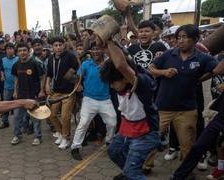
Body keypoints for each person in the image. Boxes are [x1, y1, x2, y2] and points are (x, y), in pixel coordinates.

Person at [146, 24, 218, 174]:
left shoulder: (202, 57)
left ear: (195, 39)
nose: (180, 40)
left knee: (187, 144)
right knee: (151, 139)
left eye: (184, 37)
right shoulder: (169, 54)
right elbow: (150, 68)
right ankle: (145, 166)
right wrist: (164, 72)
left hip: (187, 109)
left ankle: (185, 171)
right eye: (179, 37)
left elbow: (215, 70)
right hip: (162, 107)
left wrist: (200, 79)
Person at [98, 37, 160, 180]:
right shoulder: (121, 80)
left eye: (113, 82)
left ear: (126, 78)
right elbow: (111, 55)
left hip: (145, 134)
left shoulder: (141, 84)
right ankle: (129, 173)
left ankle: (132, 174)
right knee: (113, 151)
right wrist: (102, 39)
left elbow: (120, 65)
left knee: (133, 172)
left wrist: (110, 41)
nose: (111, 86)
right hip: (128, 128)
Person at [70, 41, 117, 161]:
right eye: (93, 49)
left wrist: (106, 66)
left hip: (106, 99)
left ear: (102, 50)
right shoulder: (85, 64)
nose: (96, 52)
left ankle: (109, 141)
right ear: (90, 52)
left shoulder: (108, 63)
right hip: (89, 99)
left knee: (112, 123)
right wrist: (75, 79)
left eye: (98, 49)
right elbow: (77, 77)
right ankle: (75, 147)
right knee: (83, 123)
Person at [46, 36, 79, 150]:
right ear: (52, 47)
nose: (58, 47)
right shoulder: (50, 59)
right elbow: (49, 74)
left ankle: (66, 138)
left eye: (60, 45)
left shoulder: (69, 56)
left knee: (65, 116)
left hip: (69, 92)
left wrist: (74, 75)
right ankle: (61, 133)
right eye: (56, 45)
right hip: (56, 92)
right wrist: (46, 85)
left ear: (63, 46)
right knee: (52, 115)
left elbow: (78, 67)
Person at [10, 43, 45, 146]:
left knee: (36, 118)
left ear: (29, 51)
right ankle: (18, 136)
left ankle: (38, 137)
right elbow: (16, 77)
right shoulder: (16, 65)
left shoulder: (34, 63)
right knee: (16, 117)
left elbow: (43, 75)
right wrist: (15, 91)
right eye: (20, 51)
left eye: (24, 50)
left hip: (34, 95)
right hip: (21, 96)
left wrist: (42, 90)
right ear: (17, 53)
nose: (22, 53)